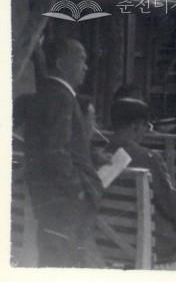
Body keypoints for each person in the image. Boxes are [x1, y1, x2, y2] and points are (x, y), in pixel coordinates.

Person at [23, 36, 103, 267]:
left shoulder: (46, 94)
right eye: (80, 59)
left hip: (48, 200)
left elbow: (62, 144)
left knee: (53, 258)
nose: (85, 67)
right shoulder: (61, 97)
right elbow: (56, 151)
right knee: (63, 260)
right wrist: (76, 189)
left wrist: (94, 155)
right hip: (64, 203)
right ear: (60, 64)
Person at [107, 97, 176, 263]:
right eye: (146, 126)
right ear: (136, 125)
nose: (146, 132)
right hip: (151, 242)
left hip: (108, 240)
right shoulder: (149, 158)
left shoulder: (100, 156)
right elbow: (173, 208)